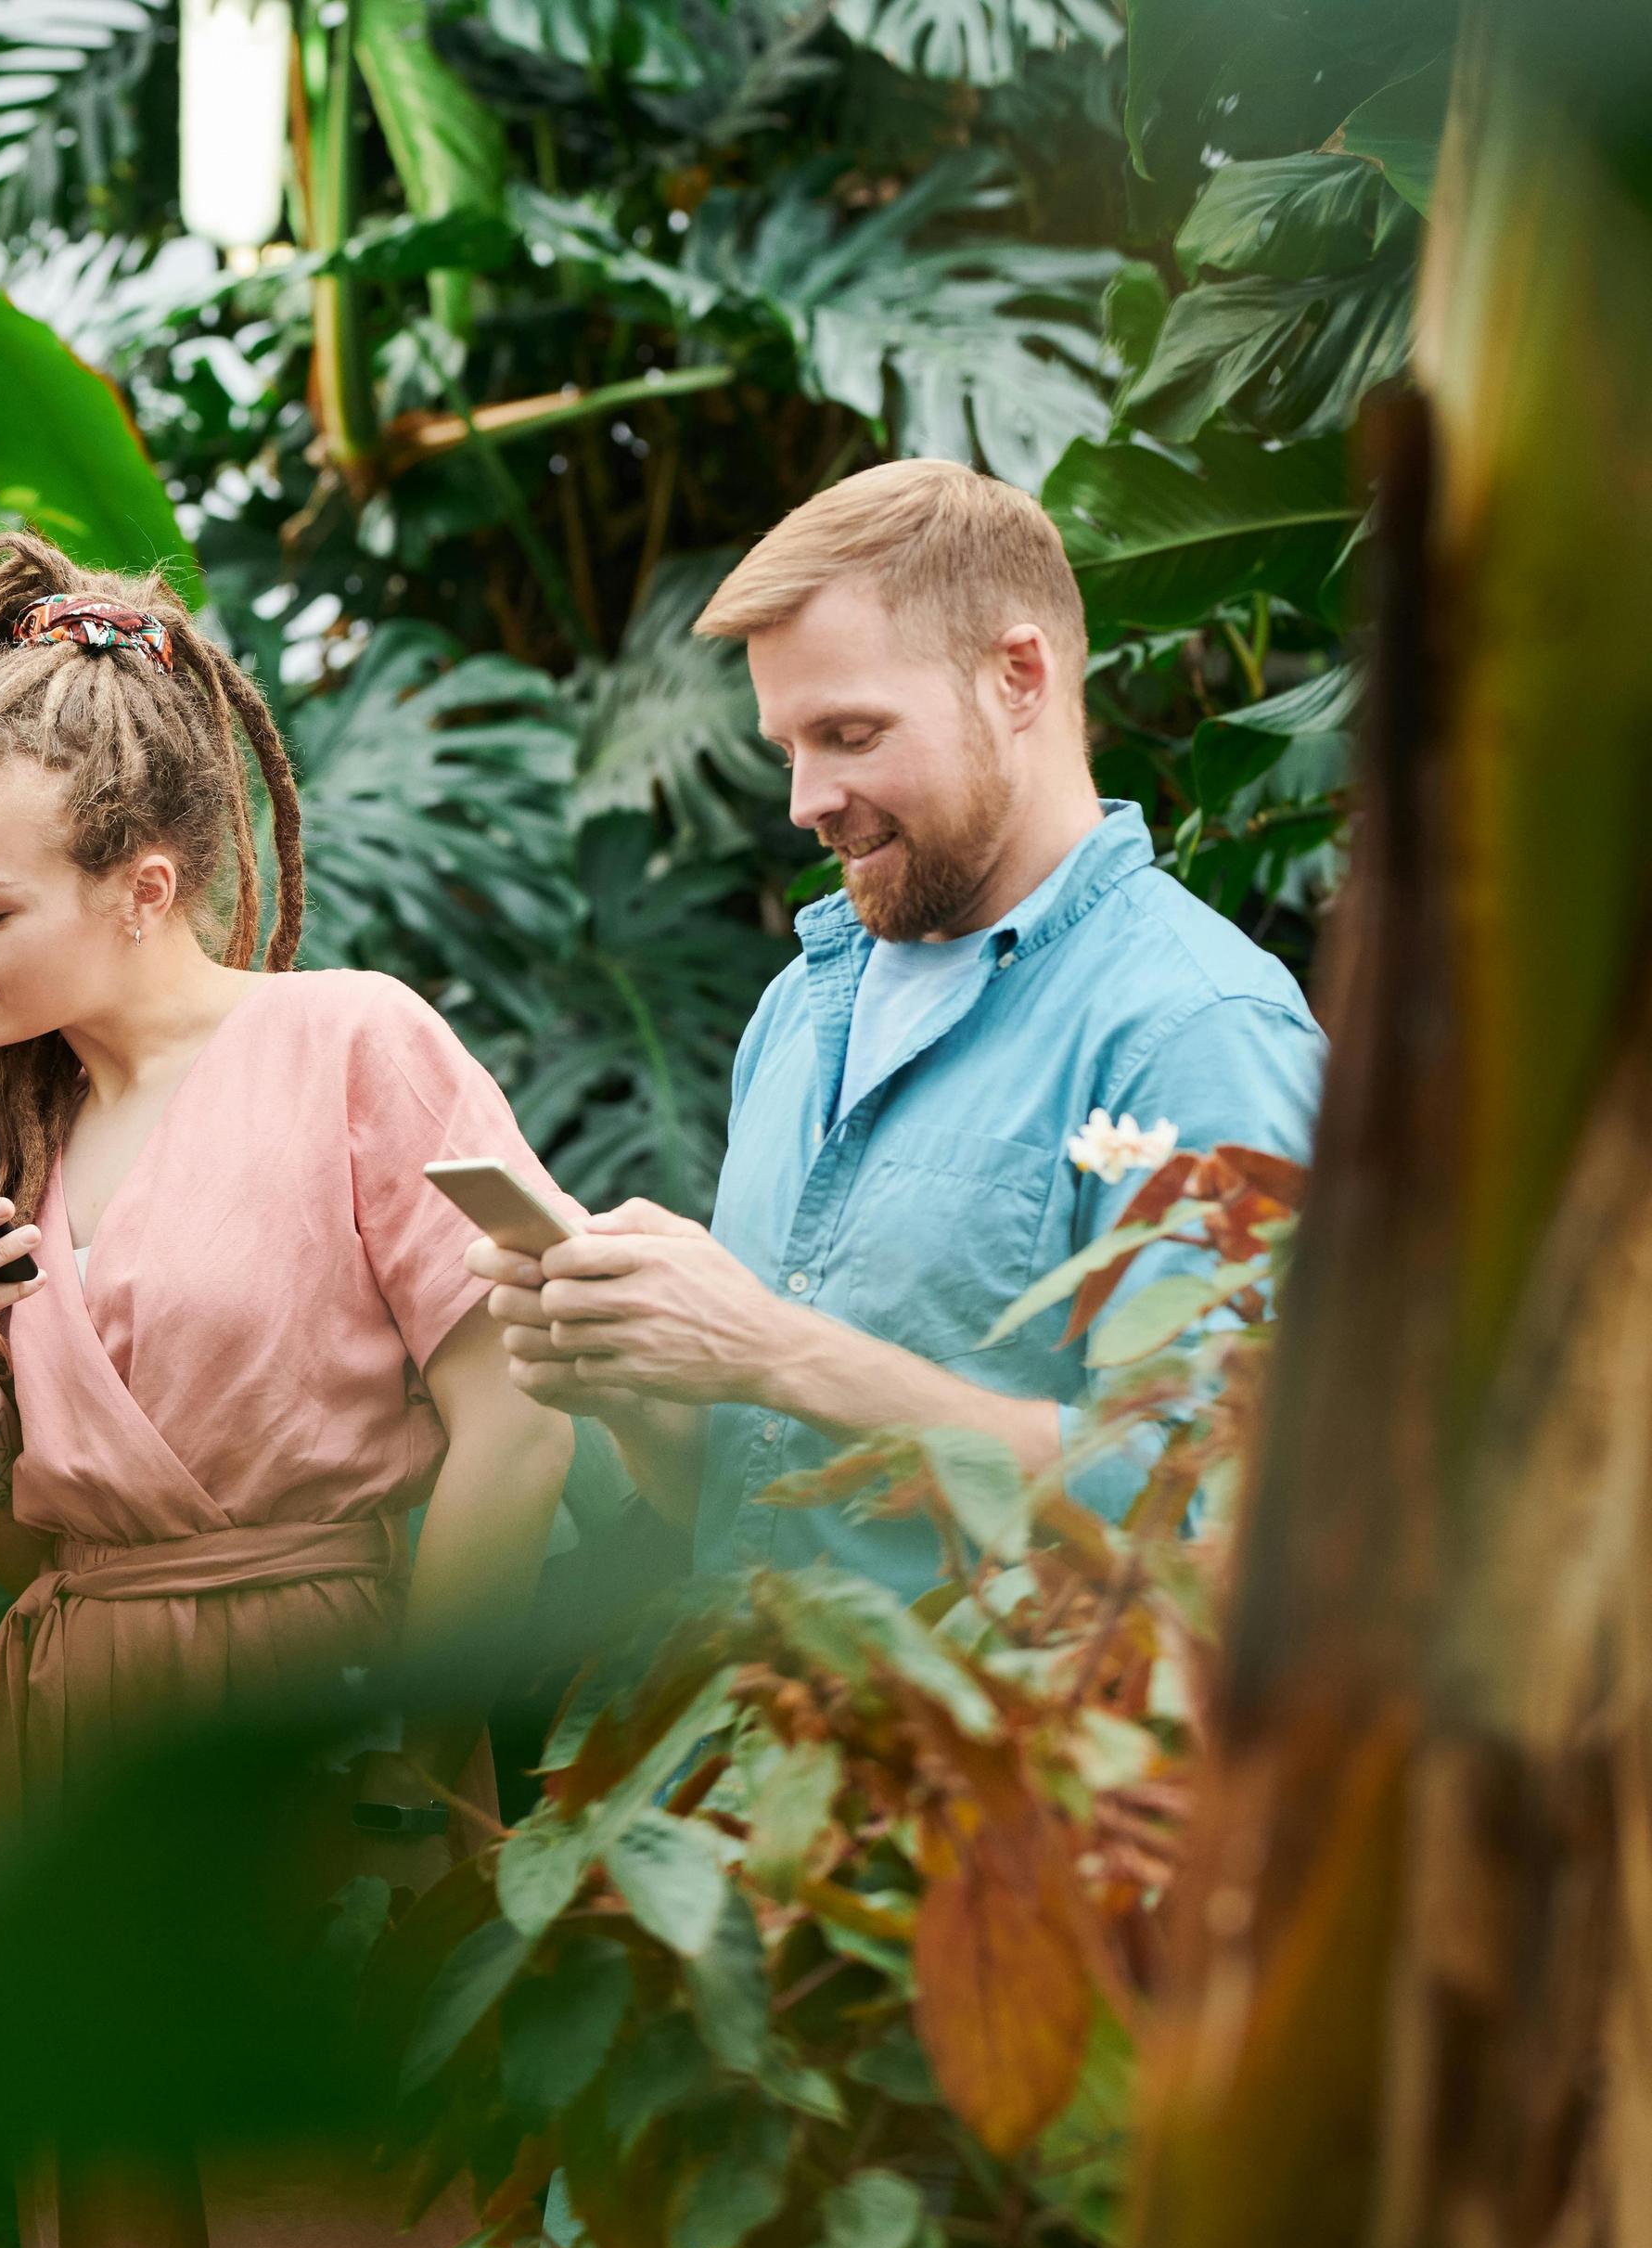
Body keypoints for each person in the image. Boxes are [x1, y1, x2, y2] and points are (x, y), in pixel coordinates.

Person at [0, 533, 577, 2248]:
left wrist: (417, 1755)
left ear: (148, 885)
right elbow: (27, 1546)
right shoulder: (5, 1119)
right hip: (82, 1752)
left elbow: (521, 1404)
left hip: (317, 1726)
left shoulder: (351, 1045)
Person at [467, 461, 1326, 1586]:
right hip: (762, 1744)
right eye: (790, 749)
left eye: (851, 734)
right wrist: (640, 1394)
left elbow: (1224, 1519)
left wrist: (774, 1352)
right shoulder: (794, 1013)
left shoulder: (1196, 1029)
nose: (803, 800)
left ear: (1018, 675)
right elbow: (748, 1510)